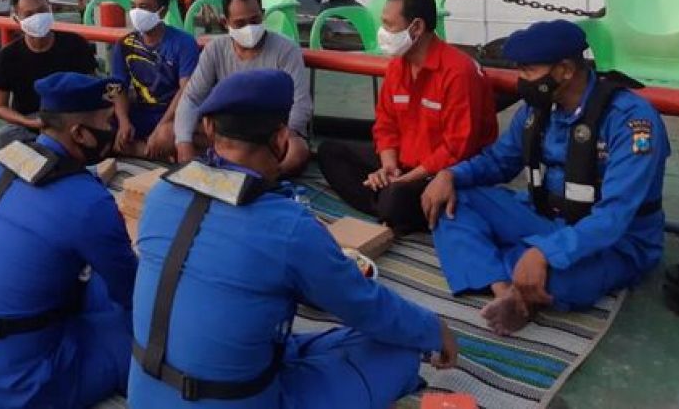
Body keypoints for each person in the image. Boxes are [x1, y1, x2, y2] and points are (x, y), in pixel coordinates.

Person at [130, 69, 457, 409]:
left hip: (146, 394)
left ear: (209, 128)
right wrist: (432, 329)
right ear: (282, 138)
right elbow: (362, 304)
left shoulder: (162, 192)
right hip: (239, 401)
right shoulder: (286, 225)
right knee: (398, 351)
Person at [422, 20, 670, 336]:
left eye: (528, 71)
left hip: (615, 241)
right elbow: (499, 161)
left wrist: (544, 253)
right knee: (452, 200)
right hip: (544, 217)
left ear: (564, 70)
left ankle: (508, 266)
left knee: (562, 281)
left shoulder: (631, 121)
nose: (519, 80)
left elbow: (614, 217)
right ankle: (506, 290)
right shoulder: (536, 110)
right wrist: (450, 174)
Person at [0, 72, 138, 409]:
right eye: (106, 121)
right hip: (21, 379)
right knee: (136, 338)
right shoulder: (87, 203)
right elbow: (131, 290)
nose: (112, 128)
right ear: (80, 133)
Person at [318, 0, 497, 235]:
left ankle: (391, 205)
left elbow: (458, 148)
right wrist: (388, 165)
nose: (382, 32)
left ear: (417, 27)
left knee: (396, 199)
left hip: (444, 172)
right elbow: (385, 124)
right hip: (404, 163)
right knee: (330, 152)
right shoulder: (397, 67)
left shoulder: (459, 72)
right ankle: (394, 205)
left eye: (389, 25)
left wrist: (406, 180)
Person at [174, 0, 312, 176]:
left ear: (263, 15)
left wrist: (289, 134)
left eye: (254, 20)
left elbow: (301, 102)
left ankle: (270, 176)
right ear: (225, 22)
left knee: (298, 151)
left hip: (272, 136)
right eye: (240, 24)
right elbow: (192, 98)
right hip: (228, 135)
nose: (249, 28)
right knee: (171, 135)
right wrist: (183, 143)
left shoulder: (286, 49)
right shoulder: (214, 50)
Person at [0, 0, 98, 150]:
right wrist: (31, 122)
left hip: (72, 117)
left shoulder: (75, 44)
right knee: (0, 138)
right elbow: (0, 107)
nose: (37, 17)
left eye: (42, 11)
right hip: (30, 123)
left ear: (50, 10)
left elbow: (92, 85)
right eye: (29, 14)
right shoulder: (6, 57)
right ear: (17, 19)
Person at [111, 0, 200, 160]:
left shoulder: (183, 43)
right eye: (133, 6)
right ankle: (154, 152)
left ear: (162, 10)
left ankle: (150, 151)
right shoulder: (124, 44)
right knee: (99, 127)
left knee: (178, 136)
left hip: (174, 113)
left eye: (143, 7)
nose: (135, 12)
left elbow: (186, 89)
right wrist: (123, 121)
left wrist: (164, 125)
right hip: (141, 112)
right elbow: (117, 87)